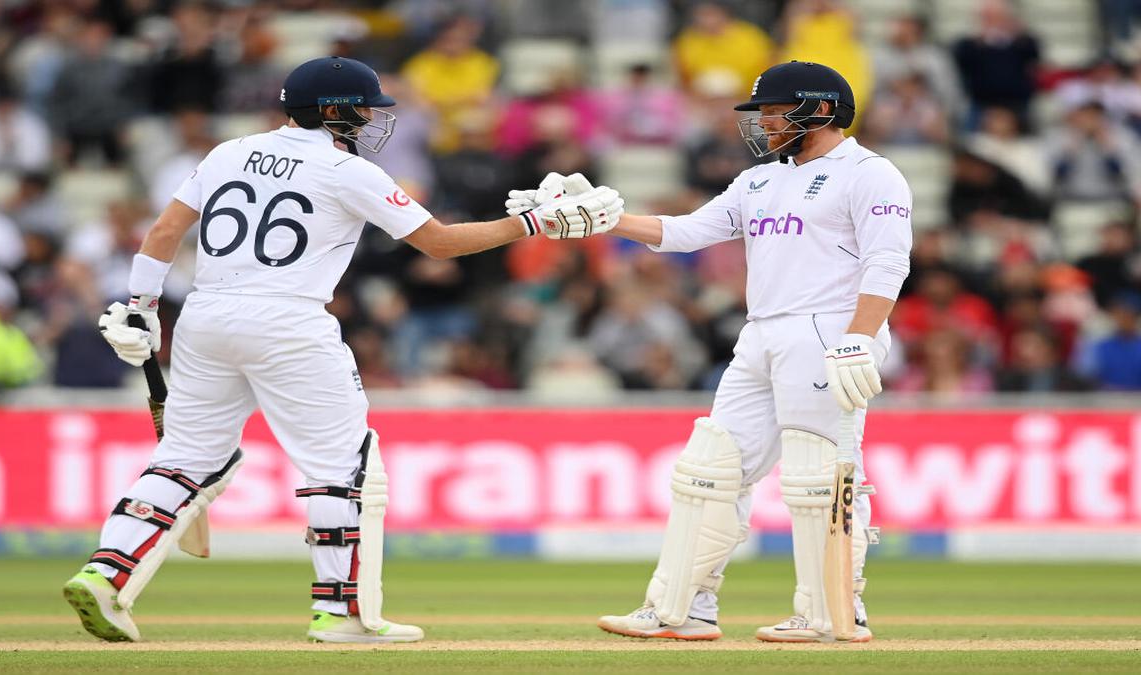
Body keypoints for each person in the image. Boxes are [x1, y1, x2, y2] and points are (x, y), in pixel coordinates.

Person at [61, 56, 622, 645]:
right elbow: (440, 244)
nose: (377, 119)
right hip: (289, 320)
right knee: (340, 466)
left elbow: (163, 234)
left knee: (184, 458)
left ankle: (105, 572)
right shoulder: (346, 169)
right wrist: (534, 224)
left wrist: (141, 306)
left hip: (205, 315)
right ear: (334, 111)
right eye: (368, 107)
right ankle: (340, 613)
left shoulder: (227, 151)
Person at [523, 61, 912, 642]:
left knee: (820, 475)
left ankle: (831, 612)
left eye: (776, 111)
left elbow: (888, 262)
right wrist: (603, 219)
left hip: (829, 331)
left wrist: (860, 335)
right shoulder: (760, 180)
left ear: (820, 109)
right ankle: (684, 608)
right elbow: (687, 232)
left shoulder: (870, 174)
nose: (764, 123)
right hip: (761, 332)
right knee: (711, 469)